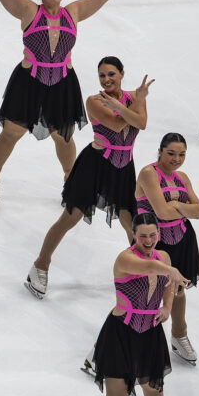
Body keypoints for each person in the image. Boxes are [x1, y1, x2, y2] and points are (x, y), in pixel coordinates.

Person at [0, 0, 126, 206]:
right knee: (12, 132)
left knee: (64, 137)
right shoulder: (28, 10)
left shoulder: (74, 12)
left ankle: (71, 183)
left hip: (62, 84)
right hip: (29, 82)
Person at [25, 58, 152, 299]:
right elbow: (116, 125)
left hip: (123, 168)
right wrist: (136, 104)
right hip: (94, 165)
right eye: (102, 76)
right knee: (69, 218)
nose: (107, 80)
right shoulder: (94, 101)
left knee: (131, 224)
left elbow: (142, 123)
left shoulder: (135, 97)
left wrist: (134, 103)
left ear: (122, 74)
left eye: (111, 74)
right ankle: (40, 266)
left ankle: (138, 275)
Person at [84, 214, 188, 396]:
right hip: (121, 333)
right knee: (116, 394)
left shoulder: (164, 258)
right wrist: (172, 271)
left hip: (150, 334)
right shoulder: (125, 259)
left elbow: (167, 286)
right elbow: (150, 270)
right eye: (143, 235)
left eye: (153, 235)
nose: (148, 240)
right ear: (133, 235)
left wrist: (166, 307)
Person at [134, 133, 199, 364]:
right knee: (143, 295)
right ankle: (103, 350)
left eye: (182, 154)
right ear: (160, 151)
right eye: (171, 153)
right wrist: (184, 208)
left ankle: (179, 335)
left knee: (178, 289)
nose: (176, 159)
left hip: (183, 240)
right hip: (153, 243)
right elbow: (161, 213)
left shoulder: (182, 177)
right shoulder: (148, 173)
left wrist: (176, 205)